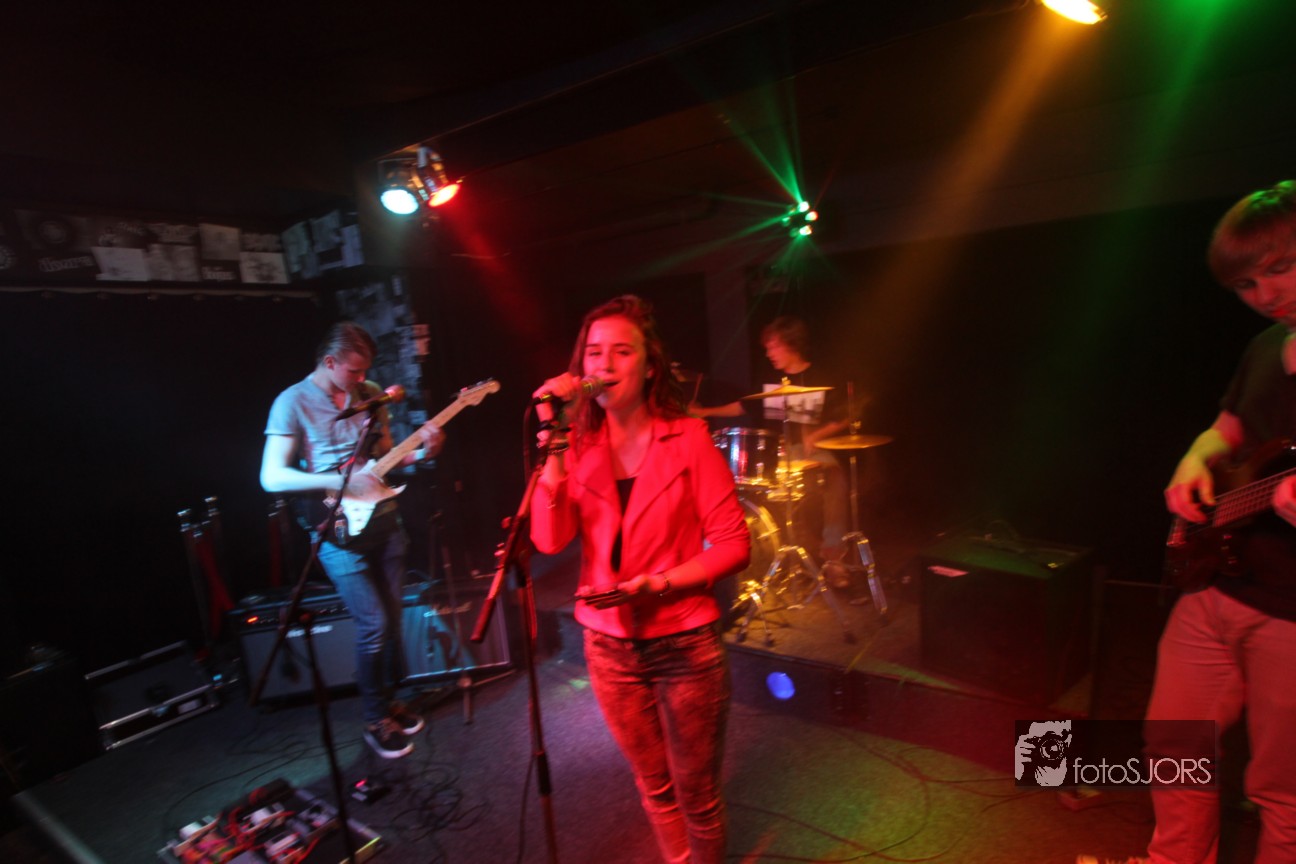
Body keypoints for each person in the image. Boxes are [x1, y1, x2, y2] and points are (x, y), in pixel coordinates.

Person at [1081, 181, 1296, 864]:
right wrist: (1194, 460)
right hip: (1216, 584)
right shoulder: (1265, 347)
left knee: (1284, 794)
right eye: (1246, 283)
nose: (1264, 294)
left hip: (1291, 616)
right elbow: (1226, 429)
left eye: (1281, 268)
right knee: (1174, 746)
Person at [529, 295, 751, 864]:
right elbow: (549, 541)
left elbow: (734, 544)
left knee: (698, 794)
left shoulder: (689, 437)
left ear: (650, 365)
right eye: (593, 352)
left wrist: (661, 584)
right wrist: (554, 443)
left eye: (621, 352)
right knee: (653, 786)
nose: (603, 364)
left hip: (684, 641)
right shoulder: (576, 445)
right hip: (608, 646)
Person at [260, 321, 445, 759]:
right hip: (337, 531)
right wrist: (338, 480)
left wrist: (424, 451)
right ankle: (374, 718)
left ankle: (388, 701)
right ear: (329, 362)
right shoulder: (291, 402)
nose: (362, 379)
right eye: (354, 371)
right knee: (373, 625)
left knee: (392, 622)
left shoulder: (371, 393)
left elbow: (386, 457)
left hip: (385, 522)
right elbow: (271, 477)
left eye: (366, 371)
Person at [693, 316, 852, 575]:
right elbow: (743, 406)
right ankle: (784, 557)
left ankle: (834, 557)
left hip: (811, 452)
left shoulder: (820, 376)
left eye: (774, 346)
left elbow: (846, 416)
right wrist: (705, 412)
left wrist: (817, 435)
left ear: (792, 344)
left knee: (836, 479)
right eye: (767, 348)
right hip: (775, 454)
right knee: (776, 500)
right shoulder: (769, 377)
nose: (769, 353)